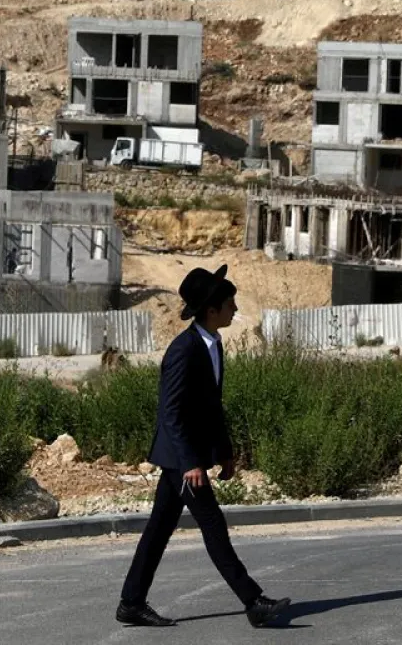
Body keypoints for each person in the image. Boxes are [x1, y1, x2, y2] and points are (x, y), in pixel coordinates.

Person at [116, 265, 290, 629]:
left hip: (188, 457)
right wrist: (192, 462)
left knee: (158, 530)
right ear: (211, 310)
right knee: (213, 524)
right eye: (229, 304)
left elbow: (212, 407)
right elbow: (171, 412)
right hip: (183, 460)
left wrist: (224, 452)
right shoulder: (184, 350)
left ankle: (131, 602)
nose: (234, 309)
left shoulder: (212, 344)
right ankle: (253, 601)